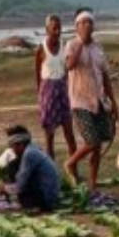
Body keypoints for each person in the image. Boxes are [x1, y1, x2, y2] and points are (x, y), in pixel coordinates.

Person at [65, 9, 118, 189]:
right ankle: (70, 163)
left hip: (99, 100)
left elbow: (105, 76)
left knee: (99, 143)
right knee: (92, 141)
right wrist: (81, 42)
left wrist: (113, 102)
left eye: (90, 22)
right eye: (84, 23)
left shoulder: (98, 48)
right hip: (80, 101)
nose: (87, 25)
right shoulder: (72, 45)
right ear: (77, 26)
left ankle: (92, 182)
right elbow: (70, 65)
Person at [33, 14, 77, 158]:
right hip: (48, 91)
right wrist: (41, 96)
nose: (57, 31)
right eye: (54, 28)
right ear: (47, 30)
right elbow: (37, 73)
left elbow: (68, 67)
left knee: (69, 133)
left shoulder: (65, 46)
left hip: (63, 90)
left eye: (59, 28)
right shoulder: (41, 48)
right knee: (49, 136)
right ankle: (50, 168)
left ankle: (73, 168)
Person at [0, 126, 62, 212]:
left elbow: (20, 185)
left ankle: (31, 205)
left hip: (46, 198)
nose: (12, 150)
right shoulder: (34, 148)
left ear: (20, 144)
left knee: (12, 168)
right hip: (50, 194)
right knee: (13, 164)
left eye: (13, 146)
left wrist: (5, 188)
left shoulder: (29, 154)